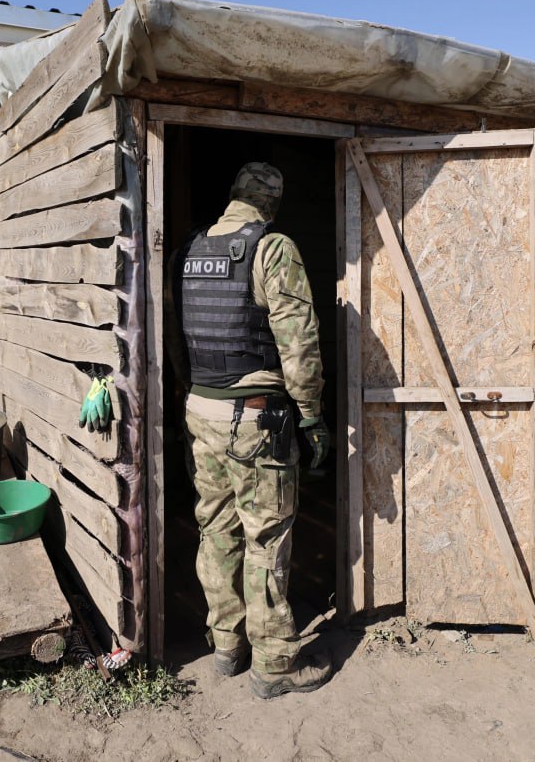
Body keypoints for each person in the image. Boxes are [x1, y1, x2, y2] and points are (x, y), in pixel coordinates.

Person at [167, 161, 333, 699]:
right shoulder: (272, 248)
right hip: (255, 417)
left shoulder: (186, 252)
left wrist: (189, 393)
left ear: (233, 194)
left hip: (200, 410)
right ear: (272, 204)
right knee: (266, 537)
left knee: (216, 529)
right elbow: (299, 343)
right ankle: (276, 664)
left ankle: (226, 646)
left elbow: (175, 336)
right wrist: (311, 414)